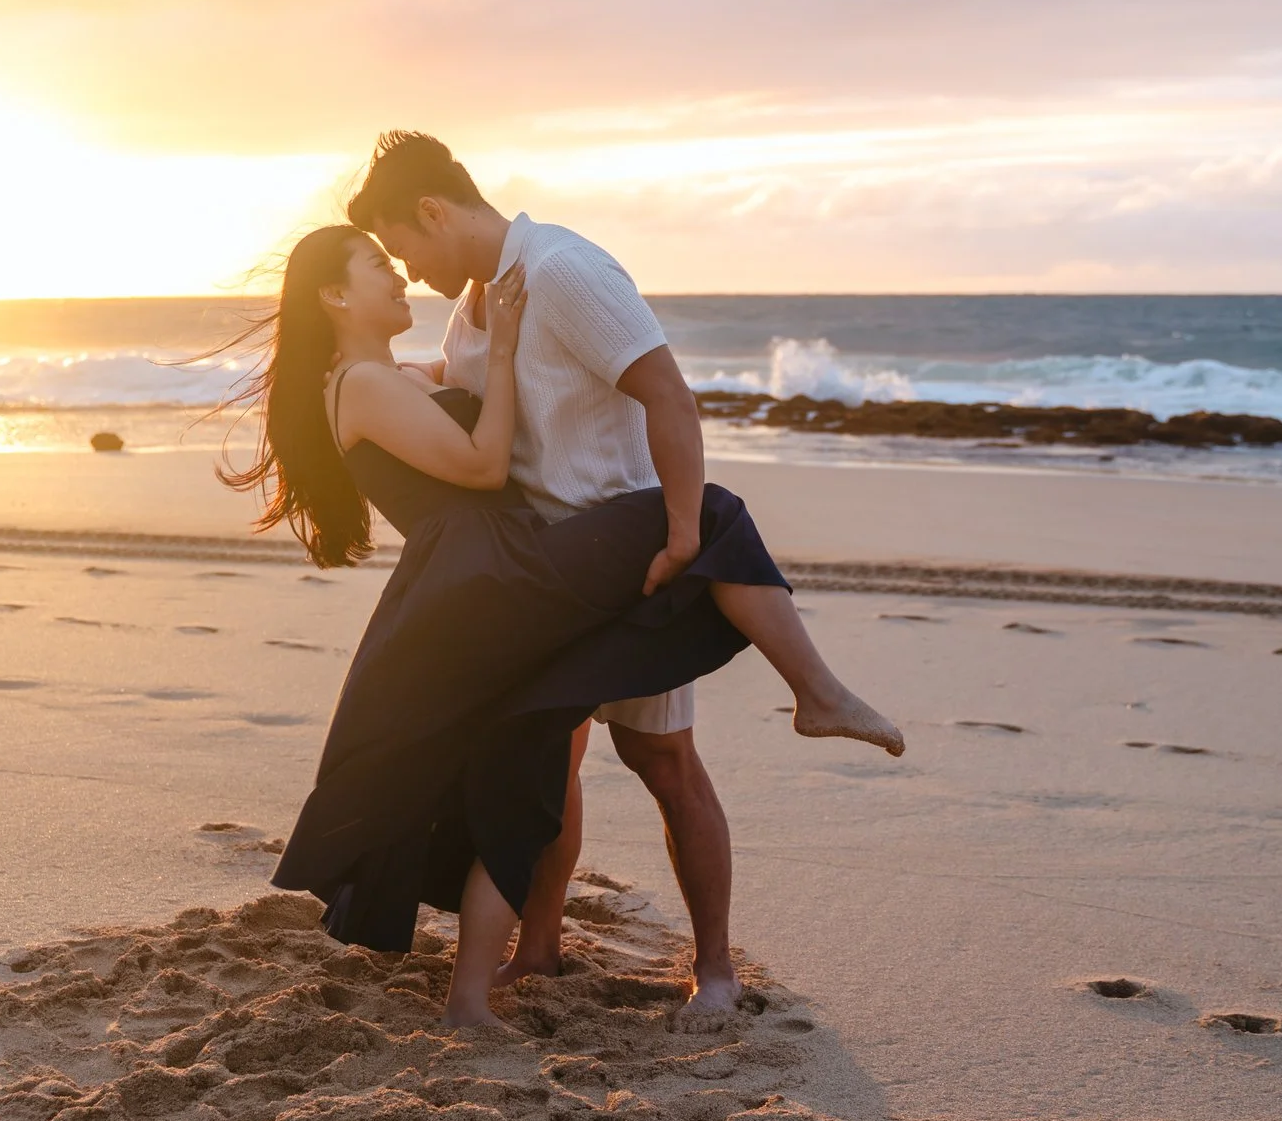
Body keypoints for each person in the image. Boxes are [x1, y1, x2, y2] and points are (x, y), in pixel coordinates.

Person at [227, 223, 897, 1028]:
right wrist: (505, 347)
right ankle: (817, 691)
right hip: (497, 578)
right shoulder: (362, 385)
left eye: (400, 257)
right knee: (711, 515)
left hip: (487, 579)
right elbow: (480, 462)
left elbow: (452, 383)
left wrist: (489, 346)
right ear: (335, 294)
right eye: (381, 267)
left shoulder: (387, 373)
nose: (402, 277)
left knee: (525, 780)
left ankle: (473, 996)